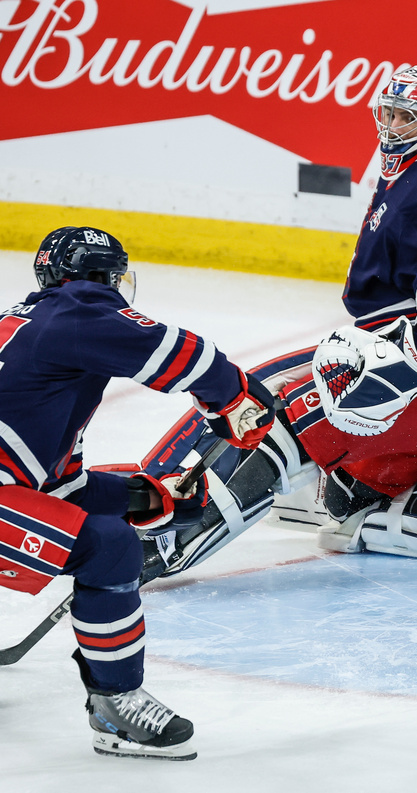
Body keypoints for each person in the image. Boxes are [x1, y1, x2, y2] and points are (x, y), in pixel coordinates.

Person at [132, 64, 417, 579]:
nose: (393, 126)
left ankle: (161, 550)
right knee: (338, 489)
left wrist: (409, 363)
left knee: (279, 422)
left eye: (408, 117)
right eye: (389, 113)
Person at [0, 226, 275, 759]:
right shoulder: (77, 311)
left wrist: (144, 498)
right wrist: (233, 400)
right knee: (107, 548)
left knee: (103, 529)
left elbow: (56, 487)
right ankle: (115, 707)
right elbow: (187, 355)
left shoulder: (33, 330)